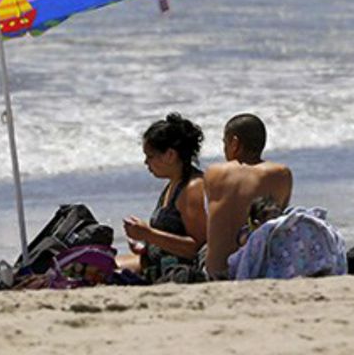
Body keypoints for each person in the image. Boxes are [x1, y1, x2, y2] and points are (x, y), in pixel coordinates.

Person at [118, 113, 208, 282]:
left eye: (150, 156)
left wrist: (149, 234)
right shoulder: (174, 183)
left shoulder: (193, 188)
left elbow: (197, 248)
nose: (146, 162)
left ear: (170, 155)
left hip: (179, 273)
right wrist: (146, 243)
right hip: (155, 264)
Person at [203, 113, 293, 279]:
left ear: (235, 143)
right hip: (258, 270)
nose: (224, 150)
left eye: (225, 143)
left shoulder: (214, 172)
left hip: (215, 272)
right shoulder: (282, 174)